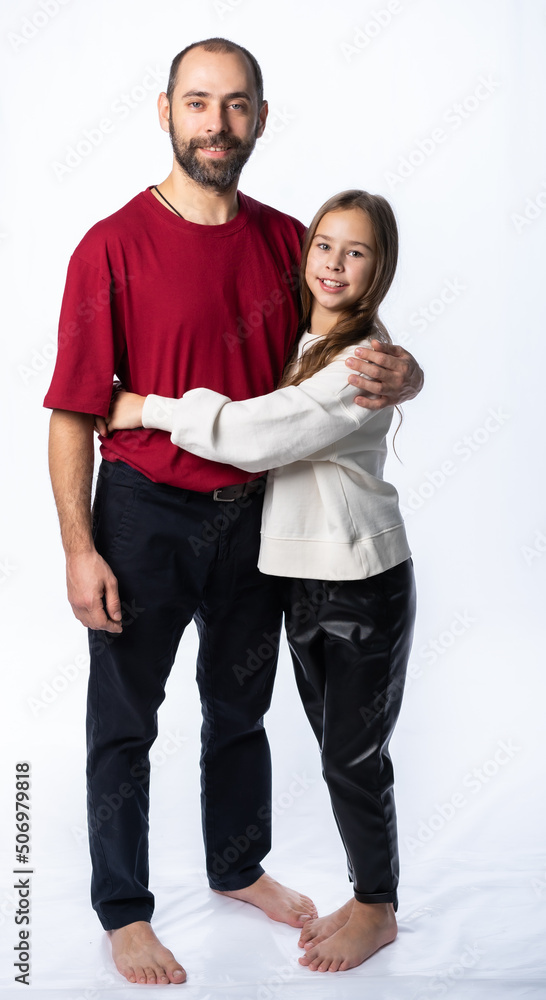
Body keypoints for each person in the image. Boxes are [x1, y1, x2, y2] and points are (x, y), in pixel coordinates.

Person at [44, 37, 423, 986]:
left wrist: (410, 371)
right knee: (124, 721)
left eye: (237, 104)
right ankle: (124, 910)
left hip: (256, 518)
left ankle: (236, 866)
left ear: (259, 117)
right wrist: (79, 548)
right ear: (165, 110)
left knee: (239, 709)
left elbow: (348, 337)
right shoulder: (110, 245)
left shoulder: (290, 242)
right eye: (199, 102)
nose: (218, 124)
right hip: (141, 514)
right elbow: (75, 412)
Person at [104, 188, 417, 974]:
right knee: (331, 748)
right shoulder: (309, 339)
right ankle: (136, 909)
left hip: (359, 580)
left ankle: (376, 907)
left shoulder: (360, 360)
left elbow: (258, 433)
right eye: (325, 247)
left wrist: (144, 407)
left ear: (380, 269)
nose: (334, 264)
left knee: (351, 756)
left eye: (357, 252)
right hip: (298, 575)